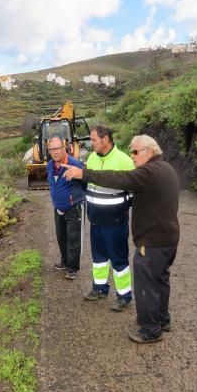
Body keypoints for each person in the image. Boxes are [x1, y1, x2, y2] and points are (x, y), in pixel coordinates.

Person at [63, 134, 180, 344]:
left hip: (152, 241)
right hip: (168, 238)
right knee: (161, 280)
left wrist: (84, 174)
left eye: (135, 152)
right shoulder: (167, 169)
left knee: (147, 284)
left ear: (149, 152)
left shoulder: (149, 172)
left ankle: (151, 330)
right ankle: (162, 320)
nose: (132, 156)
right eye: (131, 152)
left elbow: (119, 179)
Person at [82, 125, 135, 312]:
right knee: (99, 259)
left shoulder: (124, 161)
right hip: (95, 220)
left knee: (119, 260)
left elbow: (133, 193)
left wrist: (119, 210)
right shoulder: (91, 158)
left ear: (105, 139)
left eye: (94, 139)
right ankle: (99, 289)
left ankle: (124, 296)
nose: (91, 143)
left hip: (115, 223)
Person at [46, 136, 86, 280]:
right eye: (52, 149)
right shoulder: (50, 165)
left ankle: (73, 267)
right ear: (49, 151)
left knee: (73, 238)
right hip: (58, 207)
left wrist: (75, 197)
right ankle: (64, 261)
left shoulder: (74, 164)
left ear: (64, 148)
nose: (55, 152)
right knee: (61, 236)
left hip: (73, 207)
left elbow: (85, 181)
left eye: (58, 148)